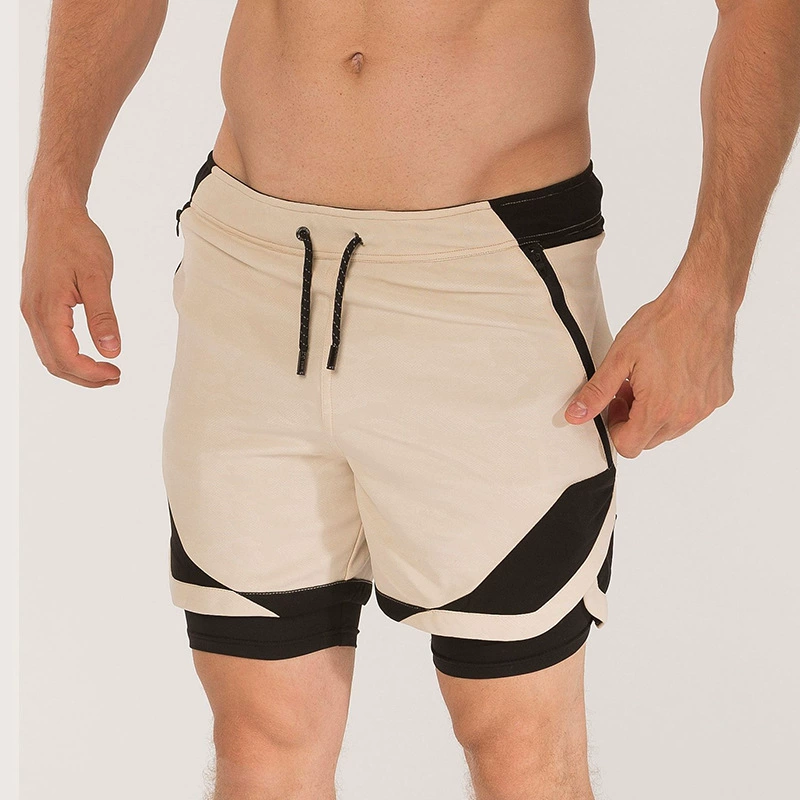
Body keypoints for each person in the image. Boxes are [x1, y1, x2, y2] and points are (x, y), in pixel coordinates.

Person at [20, 1, 800, 798]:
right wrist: (57, 186)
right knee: (260, 741)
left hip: (490, 279)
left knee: (521, 750)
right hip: (250, 267)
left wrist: (713, 290)